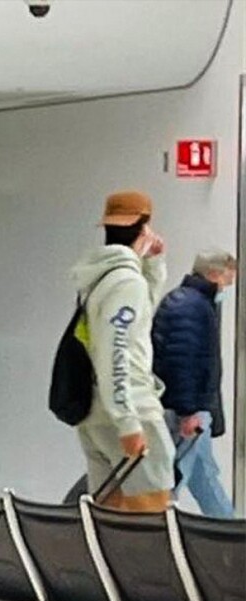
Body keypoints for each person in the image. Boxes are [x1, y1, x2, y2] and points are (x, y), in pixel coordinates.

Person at [70, 190, 174, 512]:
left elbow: (136, 320)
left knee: (108, 516)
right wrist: (128, 422)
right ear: (145, 230)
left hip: (96, 411)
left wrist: (152, 266)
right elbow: (116, 352)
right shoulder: (126, 283)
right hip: (133, 410)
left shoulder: (100, 278)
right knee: (150, 517)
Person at [152, 250, 236, 517]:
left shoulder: (182, 301)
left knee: (203, 476)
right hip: (188, 412)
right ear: (214, 273)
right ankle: (230, 540)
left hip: (187, 408)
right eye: (228, 279)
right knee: (172, 480)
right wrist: (189, 411)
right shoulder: (195, 308)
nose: (228, 286)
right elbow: (183, 362)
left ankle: (231, 536)